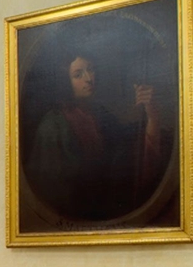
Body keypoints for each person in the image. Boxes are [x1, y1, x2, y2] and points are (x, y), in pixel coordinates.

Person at [26, 54, 166, 223]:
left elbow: (131, 155)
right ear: (65, 81)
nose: (88, 78)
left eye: (91, 70)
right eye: (78, 75)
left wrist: (152, 115)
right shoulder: (53, 126)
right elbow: (54, 191)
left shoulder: (100, 114)